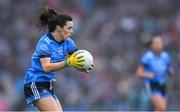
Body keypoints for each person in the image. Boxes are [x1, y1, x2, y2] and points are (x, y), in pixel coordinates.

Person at [24, 7, 86, 111]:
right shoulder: (45, 43)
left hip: (49, 84)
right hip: (35, 83)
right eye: (69, 28)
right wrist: (68, 63)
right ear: (59, 28)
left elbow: (76, 60)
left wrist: (84, 67)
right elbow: (46, 67)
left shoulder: (68, 42)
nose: (72, 31)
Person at [136, 36, 174, 111]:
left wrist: (170, 71)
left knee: (160, 110)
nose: (158, 45)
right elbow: (139, 73)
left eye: (159, 43)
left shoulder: (165, 56)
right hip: (151, 85)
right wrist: (148, 75)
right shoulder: (147, 57)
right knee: (162, 107)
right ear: (151, 45)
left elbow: (168, 68)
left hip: (162, 85)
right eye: (156, 43)